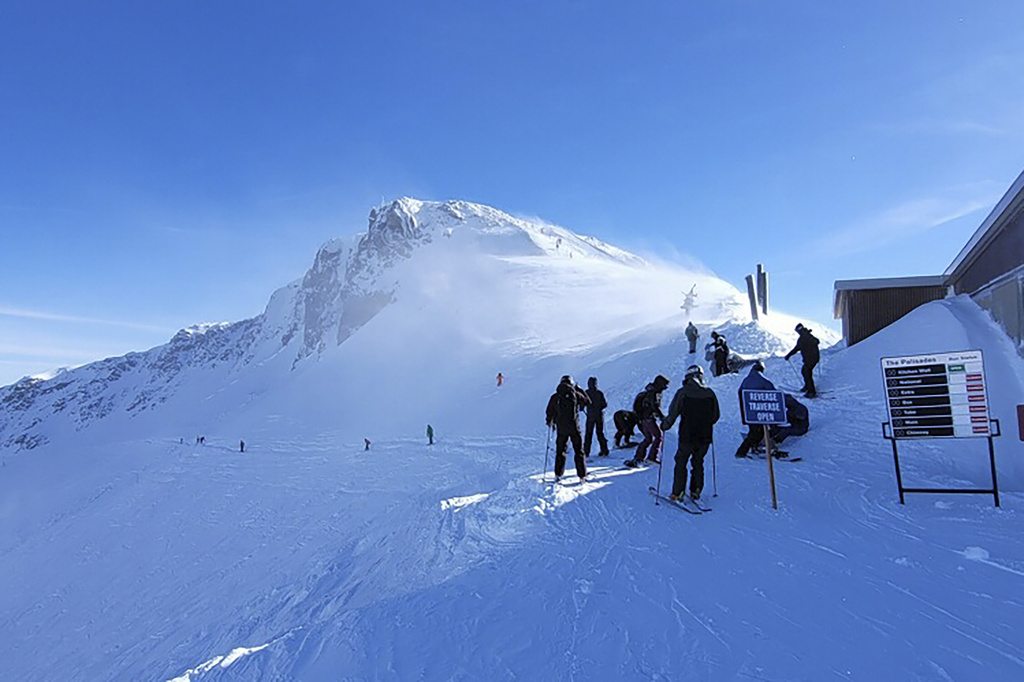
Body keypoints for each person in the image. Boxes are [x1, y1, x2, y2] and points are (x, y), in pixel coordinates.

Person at [662, 365, 720, 502]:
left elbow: (673, 412)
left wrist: (665, 425)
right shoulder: (710, 393)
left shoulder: (683, 392)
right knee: (698, 461)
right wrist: (705, 423)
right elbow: (716, 415)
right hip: (705, 436)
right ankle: (696, 490)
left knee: (681, 461)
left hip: (687, 435)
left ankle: (678, 492)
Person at [545, 375, 591, 481]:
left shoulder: (555, 396)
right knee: (579, 451)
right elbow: (588, 402)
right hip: (575, 427)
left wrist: (549, 421)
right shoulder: (575, 394)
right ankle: (582, 475)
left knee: (560, 451)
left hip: (561, 428)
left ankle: (558, 474)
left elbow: (549, 411)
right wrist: (579, 389)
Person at [624, 374, 670, 467]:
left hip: (644, 418)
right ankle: (652, 457)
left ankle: (639, 457)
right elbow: (654, 406)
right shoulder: (654, 393)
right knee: (658, 436)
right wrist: (661, 416)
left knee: (648, 438)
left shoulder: (649, 391)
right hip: (649, 418)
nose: (665, 388)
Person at [734, 361, 777, 458]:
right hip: (760, 412)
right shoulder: (764, 380)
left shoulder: (746, 380)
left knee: (754, 430)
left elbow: (741, 394)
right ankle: (741, 451)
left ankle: (754, 447)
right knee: (757, 433)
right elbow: (773, 396)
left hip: (749, 412)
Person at [785, 323, 820, 398]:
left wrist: (788, 355)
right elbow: (817, 341)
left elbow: (797, 348)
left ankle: (811, 391)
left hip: (810, 359)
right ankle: (808, 387)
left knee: (807, 373)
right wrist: (788, 355)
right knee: (804, 371)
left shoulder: (804, 337)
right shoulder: (806, 336)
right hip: (813, 358)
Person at [583, 377, 610, 457]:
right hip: (599, 416)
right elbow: (604, 404)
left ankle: (586, 452)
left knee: (588, 434)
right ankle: (604, 450)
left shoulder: (586, 393)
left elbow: (582, 404)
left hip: (590, 416)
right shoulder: (599, 393)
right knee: (600, 433)